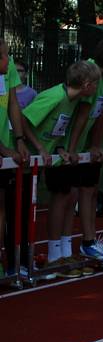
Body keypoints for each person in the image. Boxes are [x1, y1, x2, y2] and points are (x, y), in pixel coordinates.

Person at [22, 61, 101, 278]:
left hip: (52, 155)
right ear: (86, 85)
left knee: (70, 194)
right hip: (29, 159)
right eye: (95, 84)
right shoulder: (55, 96)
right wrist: (39, 148)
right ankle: (49, 257)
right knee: (31, 206)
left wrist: (59, 148)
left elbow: (56, 127)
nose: (97, 89)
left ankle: (62, 254)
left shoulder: (73, 100)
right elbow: (24, 120)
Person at [62, 38, 103, 265]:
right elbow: (80, 114)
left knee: (88, 191)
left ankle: (88, 242)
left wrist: (98, 146)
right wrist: (72, 148)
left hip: (88, 147)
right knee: (68, 196)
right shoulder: (88, 73)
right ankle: (62, 249)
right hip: (70, 144)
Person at [0, 40, 31, 276]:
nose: (9, 61)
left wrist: (19, 140)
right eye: (4, 56)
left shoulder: (8, 68)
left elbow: (12, 104)